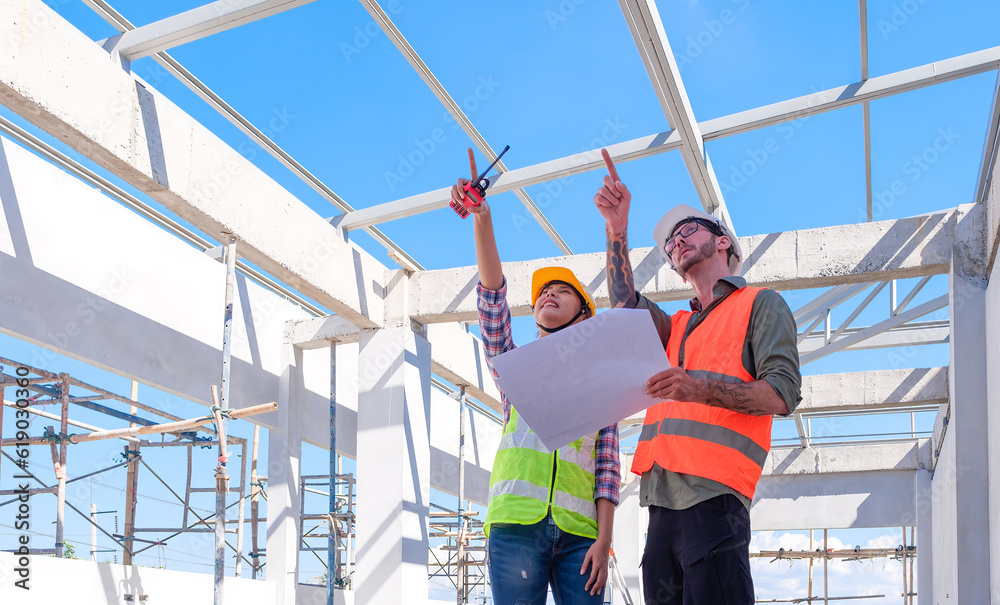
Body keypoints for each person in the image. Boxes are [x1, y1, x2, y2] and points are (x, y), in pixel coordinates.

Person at [592, 149, 802, 604]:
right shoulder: (677, 327)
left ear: (722, 240)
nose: (677, 242)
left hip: (715, 501)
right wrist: (616, 229)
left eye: (688, 230)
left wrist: (697, 389)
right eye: (670, 244)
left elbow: (782, 394)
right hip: (661, 505)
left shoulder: (761, 304)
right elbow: (625, 305)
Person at [453, 148, 621, 604]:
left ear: (583, 315)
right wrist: (482, 217)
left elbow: (607, 471)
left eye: (562, 291)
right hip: (515, 526)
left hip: (580, 535)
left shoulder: (603, 386)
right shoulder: (515, 367)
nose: (549, 294)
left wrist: (604, 541)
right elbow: (491, 300)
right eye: (544, 291)